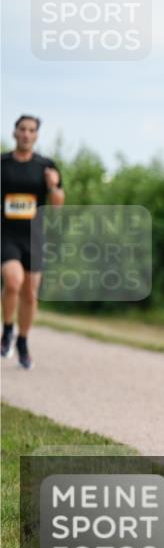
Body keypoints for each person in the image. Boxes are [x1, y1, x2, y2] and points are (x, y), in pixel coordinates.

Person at [1, 115, 64, 369]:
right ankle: (7, 331)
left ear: (36, 136)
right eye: (22, 129)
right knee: (13, 281)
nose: (26, 134)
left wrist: (53, 186)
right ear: (15, 133)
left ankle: (23, 342)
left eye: (31, 130)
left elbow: (58, 205)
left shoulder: (46, 166)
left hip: (34, 236)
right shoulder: (2, 164)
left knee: (30, 293)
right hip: (6, 234)